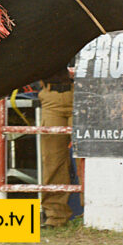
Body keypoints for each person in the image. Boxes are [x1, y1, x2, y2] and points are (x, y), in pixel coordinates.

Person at [39, 67, 75, 228]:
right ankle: (55, 216)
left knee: (86, 156)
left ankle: (92, 213)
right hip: (50, 94)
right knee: (52, 158)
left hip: (82, 92)